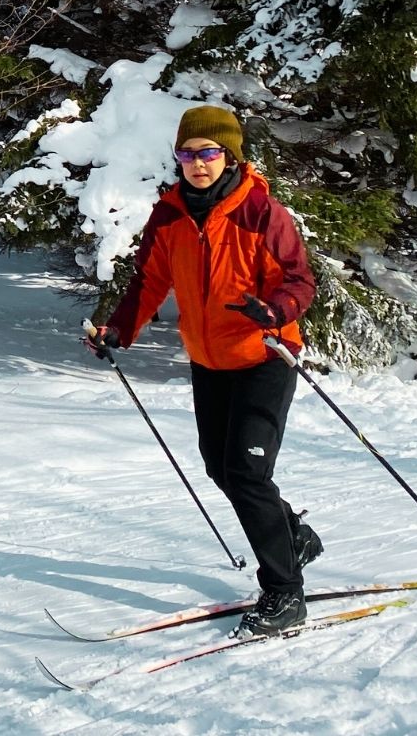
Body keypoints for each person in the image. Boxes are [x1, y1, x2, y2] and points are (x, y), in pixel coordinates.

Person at [85, 105, 319, 637]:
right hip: (209, 361)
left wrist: (274, 310)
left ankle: (285, 594)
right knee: (220, 468)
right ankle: (294, 538)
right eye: (188, 153)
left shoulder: (260, 212)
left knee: (247, 474)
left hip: (263, 356)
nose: (198, 163)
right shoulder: (169, 215)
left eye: (209, 152)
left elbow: (299, 281)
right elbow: (147, 282)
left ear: (229, 156)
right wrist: (118, 331)